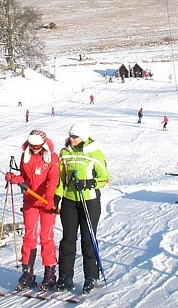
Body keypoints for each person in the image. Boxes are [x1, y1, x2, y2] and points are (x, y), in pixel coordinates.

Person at [54, 122, 110, 295]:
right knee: (67, 240)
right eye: (70, 136)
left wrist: (88, 183)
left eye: (75, 137)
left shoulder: (95, 153)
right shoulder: (64, 153)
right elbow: (61, 179)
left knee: (88, 239)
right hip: (69, 201)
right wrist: (57, 197)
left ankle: (91, 277)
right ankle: (65, 276)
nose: (71, 139)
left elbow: (105, 178)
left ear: (83, 137)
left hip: (89, 201)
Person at [5, 129, 60, 291]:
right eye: (32, 145)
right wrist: (15, 179)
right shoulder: (26, 156)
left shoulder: (52, 158)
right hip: (30, 201)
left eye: (38, 145)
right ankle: (27, 273)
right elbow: (24, 176)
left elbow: (53, 179)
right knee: (29, 236)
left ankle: (50, 273)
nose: (35, 148)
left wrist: (50, 198)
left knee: (46, 236)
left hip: (46, 203)